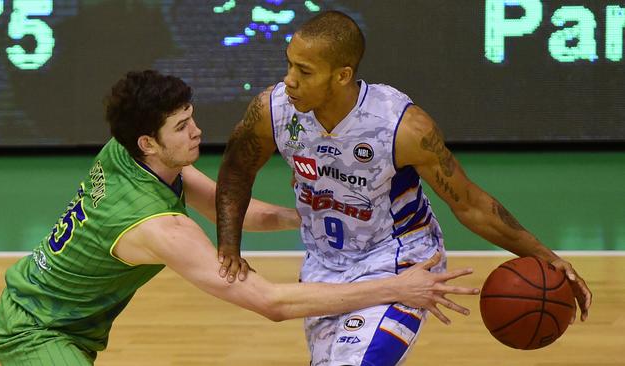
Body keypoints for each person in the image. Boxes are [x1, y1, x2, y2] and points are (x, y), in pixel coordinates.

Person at [0, 70, 479, 365]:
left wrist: (315, 211)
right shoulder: (159, 227)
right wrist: (397, 288)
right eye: (182, 127)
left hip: (51, 309)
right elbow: (270, 302)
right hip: (39, 330)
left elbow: (239, 211)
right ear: (148, 142)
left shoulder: (127, 154)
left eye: (192, 117)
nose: (198, 133)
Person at [215, 10, 593, 366]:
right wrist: (229, 245)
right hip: (324, 267)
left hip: (398, 261)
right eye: (289, 64)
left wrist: (546, 256)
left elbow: (470, 205)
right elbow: (235, 171)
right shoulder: (274, 110)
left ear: (343, 76)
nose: (289, 80)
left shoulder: (401, 126)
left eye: (304, 70)